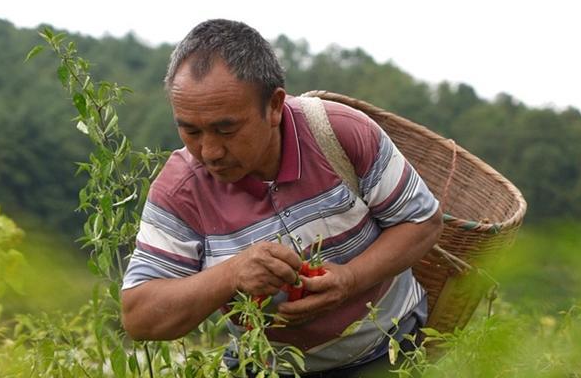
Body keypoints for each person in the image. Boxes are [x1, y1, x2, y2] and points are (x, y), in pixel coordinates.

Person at [120, 19, 442, 376]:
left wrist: (350, 279)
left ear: (274, 106)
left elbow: (423, 221)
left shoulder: (339, 133)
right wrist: (232, 274)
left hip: (388, 353)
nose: (209, 151)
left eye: (226, 129)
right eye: (190, 130)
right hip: (270, 368)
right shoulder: (181, 190)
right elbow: (139, 316)